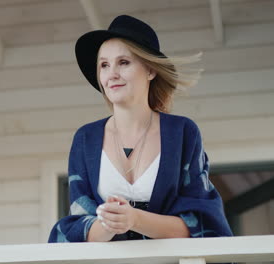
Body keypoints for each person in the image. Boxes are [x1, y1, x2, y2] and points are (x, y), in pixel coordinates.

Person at [48, 15, 233, 243]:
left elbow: (201, 223)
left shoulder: (182, 133)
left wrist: (134, 219)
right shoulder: (86, 139)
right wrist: (109, 224)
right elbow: (78, 226)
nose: (112, 74)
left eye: (123, 62)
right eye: (104, 65)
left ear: (150, 70)